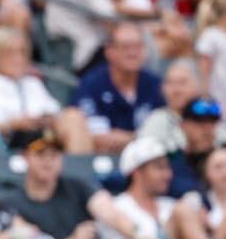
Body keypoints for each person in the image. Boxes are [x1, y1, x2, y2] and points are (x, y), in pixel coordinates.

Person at [2, 134, 136, 239]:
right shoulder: (13, 203)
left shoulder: (78, 187)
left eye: (54, 154)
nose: (48, 160)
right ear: (25, 157)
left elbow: (109, 212)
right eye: (40, 153)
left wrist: (139, 238)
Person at [65, 24, 165, 155]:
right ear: (109, 51)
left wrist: (131, 138)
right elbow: (94, 135)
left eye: (138, 47)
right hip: (100, 159)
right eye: (125, 47)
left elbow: (165, 129)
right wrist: (135, 138)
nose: (132, 53)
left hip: (146, 159)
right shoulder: (92, 83)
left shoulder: (155, 84)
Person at [0, 27, 60, 150]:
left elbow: (55, 115)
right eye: (10, 53)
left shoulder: (32, 84)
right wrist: (11, 125)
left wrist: (42, 121)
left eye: (22, 52)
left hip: (37, 145)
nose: (18, 59)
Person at [101, 137, 177, 239]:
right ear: (136, 172)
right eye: (159, 167)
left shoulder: (173, 206)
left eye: (167, 167)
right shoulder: (116, 208)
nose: (168, 174)